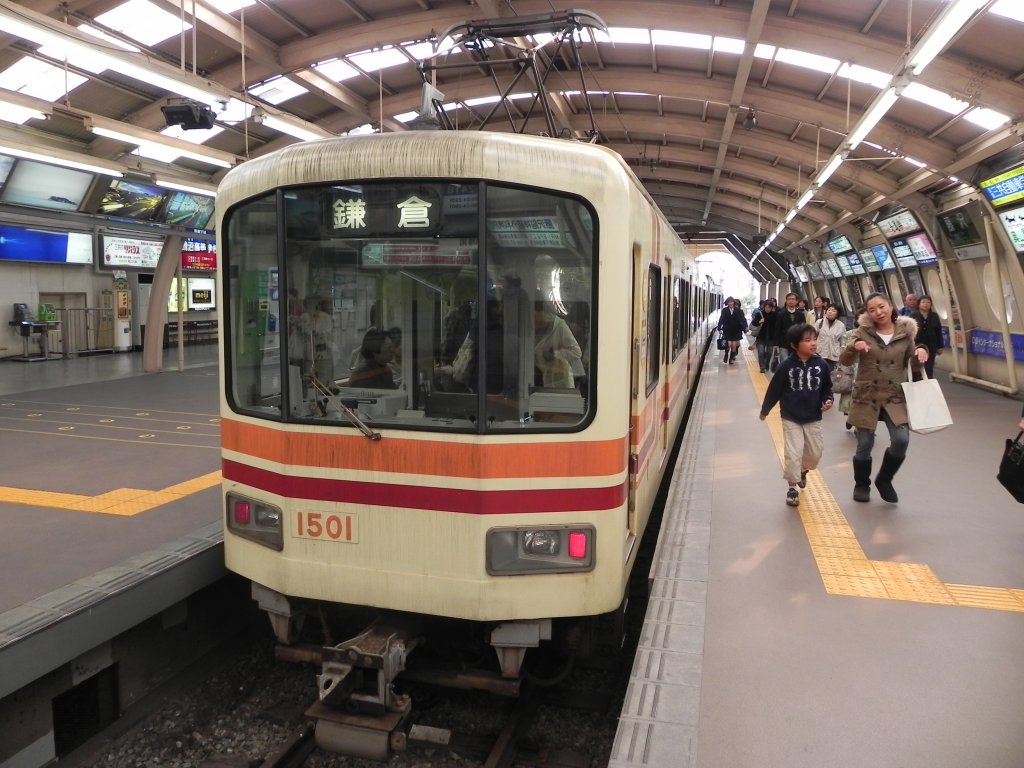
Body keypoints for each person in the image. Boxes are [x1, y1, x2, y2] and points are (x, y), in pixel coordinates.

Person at [839, 292, 929, 503]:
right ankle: (862, 484)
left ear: (890, 306)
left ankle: (884, 480)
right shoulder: (862, 332)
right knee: (865, 443)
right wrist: (854, 346)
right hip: (866, 395)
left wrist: (922, 352)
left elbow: (912, 364)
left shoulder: (906, 334)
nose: (878, 312)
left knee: (901, 440)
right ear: (867, 314)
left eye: (881, 307)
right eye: (872, 310)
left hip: (894, 396)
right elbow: (844, 359)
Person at [759, 323, 834, 507]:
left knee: (815, 455)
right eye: (807, 340)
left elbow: (827, 388)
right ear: (794, 345)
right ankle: (792, 489)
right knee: (793, 453)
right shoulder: (785, 366)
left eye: (814, 339)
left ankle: (802, 471)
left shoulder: (821, 365)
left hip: (813, 417)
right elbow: (774, 390)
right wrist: (765, 410)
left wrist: (828, 399)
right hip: (791, 416)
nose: (813, 343)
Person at [534, 302, 583, 388]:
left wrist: (555, 353)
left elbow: (576, 352)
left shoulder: (559, 326)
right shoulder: (526, 326)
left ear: (545, 313)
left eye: (540, 323)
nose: (536, 325)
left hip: (559, 379)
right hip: (538, 378)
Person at [911, 295, 943, 379]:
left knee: (929, 367)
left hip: (931, 346)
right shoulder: (913, 315)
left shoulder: (934, 316)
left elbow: (938, 331)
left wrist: (940, 346)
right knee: (917, 366)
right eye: (923, 302)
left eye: (928, 302)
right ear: (919, 304)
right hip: (917, 345)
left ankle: (928, 383)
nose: (926, 304)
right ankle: (917, 381)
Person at [774, 292, 806, 366]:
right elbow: (777, 329)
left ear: (796, 301)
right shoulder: (780, 314)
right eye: (789, 299)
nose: (791, 301)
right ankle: (785, 376)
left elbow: (803, 329)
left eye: (793, 299)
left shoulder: (800, 315)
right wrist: (776, 344)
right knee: (784, 362)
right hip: (783, 343)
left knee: (795, 363)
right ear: (786, 301)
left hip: (796, 344)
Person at [716, 296, 747, 364]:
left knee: (733, 345)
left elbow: (742, 320)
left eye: (732, 302)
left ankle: (731, 358)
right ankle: (726, 354)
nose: (730, 303)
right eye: (729, 302)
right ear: (727, 303)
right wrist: (719, 327)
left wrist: (745, 328)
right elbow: (721, 319)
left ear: (733, 302)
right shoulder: (724, 310)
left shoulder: (738, 311)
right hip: (727, 330)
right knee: (728, 344)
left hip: (736, 330)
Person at [815, 304, 845, 370]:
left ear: (837, 314)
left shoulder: (841, 325)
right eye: (829, 310)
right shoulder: (819, 322)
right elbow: (813, 336)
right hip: (820, 353)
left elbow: (843, 341)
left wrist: (841, 354)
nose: (830, 312)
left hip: (833, 355)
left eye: (833, 311)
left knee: (830, 374)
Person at [755, 298, 778, 373]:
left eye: (769, 307)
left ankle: (766, 363)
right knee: (761, 352)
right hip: (760, 337)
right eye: (766, 307)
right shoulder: (759, 314)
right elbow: (753, 324)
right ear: (764, 307)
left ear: (772, 308)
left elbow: (777, 327)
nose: (767, 309)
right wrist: (759, 322)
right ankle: (762, 367)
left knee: (769, 353)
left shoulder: (775, 315)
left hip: (771, 338)